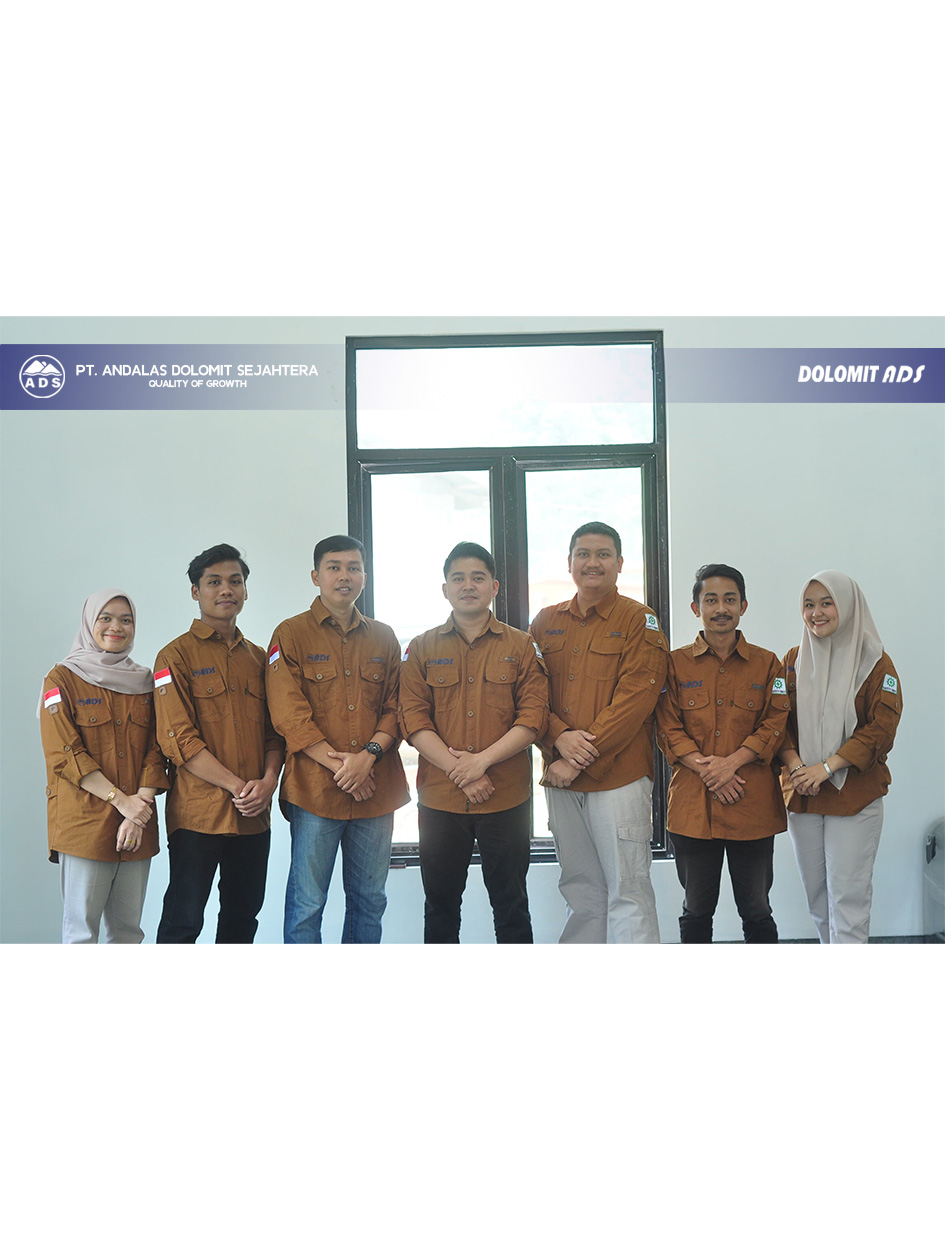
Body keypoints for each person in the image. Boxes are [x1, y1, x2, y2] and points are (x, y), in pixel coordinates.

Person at [399, 543, 549, 943]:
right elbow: (413, 720)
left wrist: (480, 763)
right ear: (445, 589)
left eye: (478, 578)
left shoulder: (521, 646)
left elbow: (532, 719)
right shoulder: (421, 647)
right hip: (441, 800)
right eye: (459, 578)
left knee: (512, 905)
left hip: (506, 799)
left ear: (494, 587)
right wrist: (461, 771)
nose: (468, 586)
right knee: (440, 907)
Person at [529, 522, 668, 943]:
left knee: (628, 889)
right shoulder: (545, 621)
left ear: (620, 563)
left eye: (603, 554)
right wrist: (557, 739)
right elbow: (530, 696)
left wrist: (575, 758)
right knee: (580, 888)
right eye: (584, 554)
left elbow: (636, 700)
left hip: (618, 778)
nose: (593, 562)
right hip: (561, 779)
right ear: (569, 562)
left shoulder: (639, 619)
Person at [266, 535, 408, 943]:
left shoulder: (384, 637)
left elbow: (397, 707)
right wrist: (346, 768)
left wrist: (368, 757)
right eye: (334, 567)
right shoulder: (290, 634)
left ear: (364, 576)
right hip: (315, 792)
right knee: (307, 904)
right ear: (316, 576)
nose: (344, 576)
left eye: (353, 568)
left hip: (375, 791)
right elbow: (288, 712)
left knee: (370, 900)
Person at [153, 544, 283, 944]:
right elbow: (178, 739)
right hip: (198, 816)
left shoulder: (260, 659)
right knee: (183, 922)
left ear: (245, 590)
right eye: (214, 582)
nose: (226, 589)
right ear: (196, 591)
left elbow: (275, 733)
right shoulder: (173, 657)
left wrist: (268, 783)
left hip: (253, 816)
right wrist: (237, 786)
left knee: (242, 922)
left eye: (235, 581)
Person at [656, 564, 789, 943]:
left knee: (757, 910)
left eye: (730, 600)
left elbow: (776, 722)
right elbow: (667, 726)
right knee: (696, 910)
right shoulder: (673, 665)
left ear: (743, 606)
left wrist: (730, 764)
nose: (720, 608)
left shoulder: (768, 664)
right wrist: (710, 772)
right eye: (710, 600)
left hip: (752, 805)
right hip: (694, 809)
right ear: (695, 607)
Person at [778, 570, 902, 944]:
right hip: (804, 794)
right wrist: (798, 766)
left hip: (854, 797)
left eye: (826, 603)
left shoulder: (875, 662)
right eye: (808, 605)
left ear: (847, 606)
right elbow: (776, 721)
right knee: (818, 903)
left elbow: (881, 729)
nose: (816, 613)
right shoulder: (794, 659)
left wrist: (827, 767)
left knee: (848, 903)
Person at [39, 589, 167, 944]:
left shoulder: (145, 682)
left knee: (128, 934)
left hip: (137, 826)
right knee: (82, 934)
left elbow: (157, 749)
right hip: (85, 825)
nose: (116, 627)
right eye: (106, 618)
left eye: (126, 620)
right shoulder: (61, 679)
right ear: (88, 622)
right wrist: (123, 803)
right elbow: (65, 753)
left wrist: (136, 813)